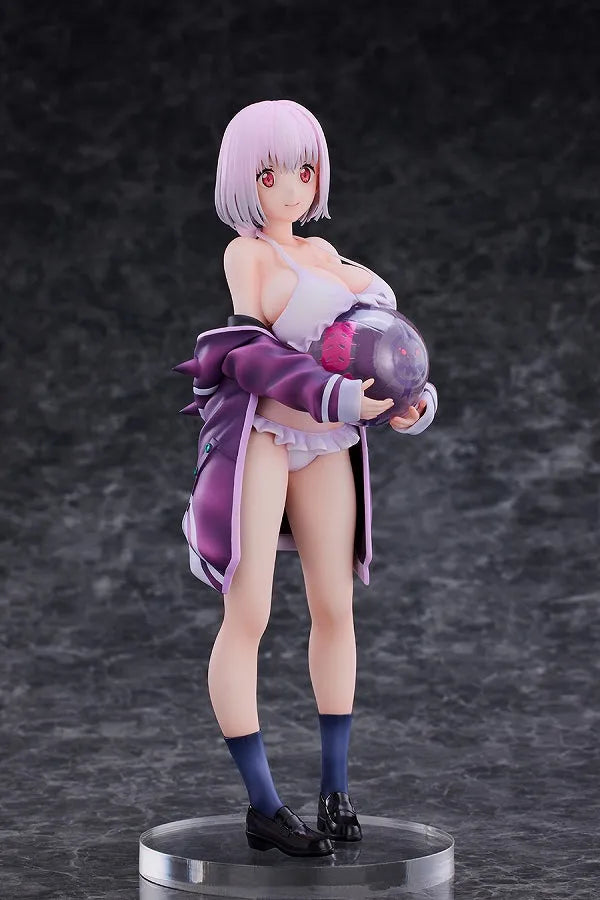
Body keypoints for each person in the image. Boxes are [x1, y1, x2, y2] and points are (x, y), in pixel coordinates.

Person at [178, 100, 438, 857]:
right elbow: (250, 355)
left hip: (328, 444)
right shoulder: (248, 256)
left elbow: (384, 347)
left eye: (303, 168)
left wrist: (409, 402)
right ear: (243, 180)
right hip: (265, 434)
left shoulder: (330, 255)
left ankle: (335, 789)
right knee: (249, 610)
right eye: (269, 173)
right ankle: (264, 805)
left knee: (335, 605)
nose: (290, 187)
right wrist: (340, 396)